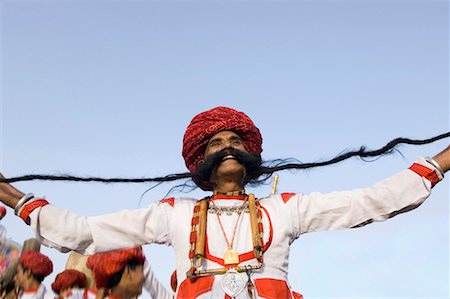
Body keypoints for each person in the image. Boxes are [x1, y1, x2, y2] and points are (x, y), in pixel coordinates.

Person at [0, 106, 449, 298]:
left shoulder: (285, 208)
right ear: (202, 160)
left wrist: (441, 162)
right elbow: (85, 233)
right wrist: (14, 196)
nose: (229, 145)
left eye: (237, 139)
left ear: (251, 156)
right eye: (217, 141)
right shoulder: (172, 215)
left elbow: (370, 202)